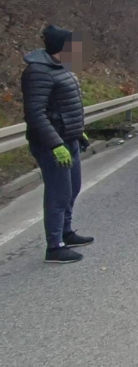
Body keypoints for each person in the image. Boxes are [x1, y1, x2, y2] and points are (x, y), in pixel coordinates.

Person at [22, 25, 94, 264]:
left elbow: (67, 105)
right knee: (58, 193)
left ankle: (66, 232)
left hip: (69, 138)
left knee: (72, 188)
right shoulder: (38, 72)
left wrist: (78, 133)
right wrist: (55, 144)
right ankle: (54, 246)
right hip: (52, 143)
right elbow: (35, 114)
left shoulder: (61, 67)